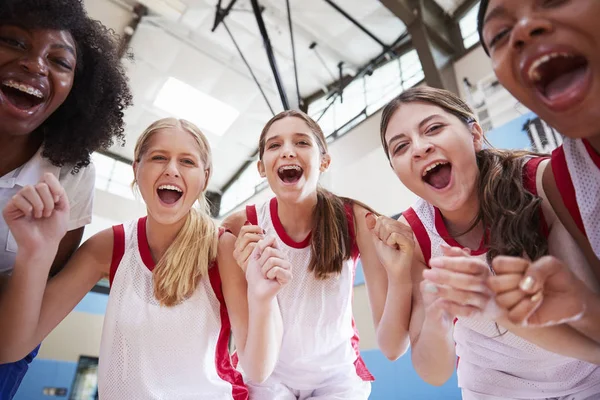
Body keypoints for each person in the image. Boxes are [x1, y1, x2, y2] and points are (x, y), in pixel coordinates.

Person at [0, 119, 264, 399]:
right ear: (137, 169)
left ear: (205, 178)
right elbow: (12, 348)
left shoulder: (222, 248)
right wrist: (34, 254)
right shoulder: (109, 245)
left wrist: (265, 295)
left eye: (187, 161)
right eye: (158, 157)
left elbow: (256, 364)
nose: (171, 170)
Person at [379, 86, 600, 399]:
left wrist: (496, 305)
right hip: (496, 388)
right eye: (400, 147)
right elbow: (433, 372)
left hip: (588, 374)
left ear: (475, 135)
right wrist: (436, 317)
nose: (419, 148)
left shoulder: (542, 183)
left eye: (434, 128)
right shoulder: (414, 233)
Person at [222, 109, 415, 399]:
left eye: (301, 142)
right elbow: (234, 330)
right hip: (267, 375)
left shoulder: (356, 219)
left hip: (337, 375)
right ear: (262, 168)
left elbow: (393, 347)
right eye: (275, 145)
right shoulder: (241, 225)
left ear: (324, 161)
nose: (287, 151)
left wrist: (401, 277)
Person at [0, 0, 131, 396]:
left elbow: (28, 313)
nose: (36, 65)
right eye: (14, 42)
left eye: (59, 61)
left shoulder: (71, 174)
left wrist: (35, 255)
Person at [477, 0, 600, 343]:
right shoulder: (565, 179)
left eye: (555, 0)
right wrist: (583, 308)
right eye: (500, 34)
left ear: (475, 135)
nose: (523, 30)